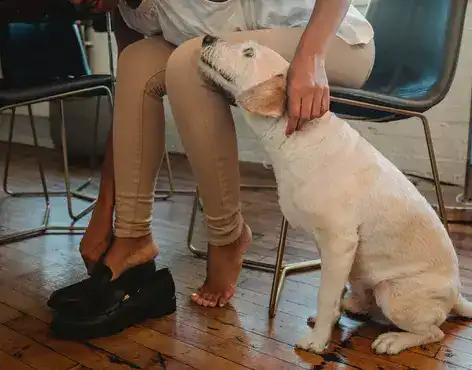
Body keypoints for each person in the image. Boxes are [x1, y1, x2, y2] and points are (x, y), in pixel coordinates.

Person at [53, 0, 375, 310]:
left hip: (324, 39)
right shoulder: (124, 11)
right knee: (136, 63)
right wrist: (104, 212)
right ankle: (133, 237)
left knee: (191, 61)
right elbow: (128, 111)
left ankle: (227, 236)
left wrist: (311, 55)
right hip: (239, 49)